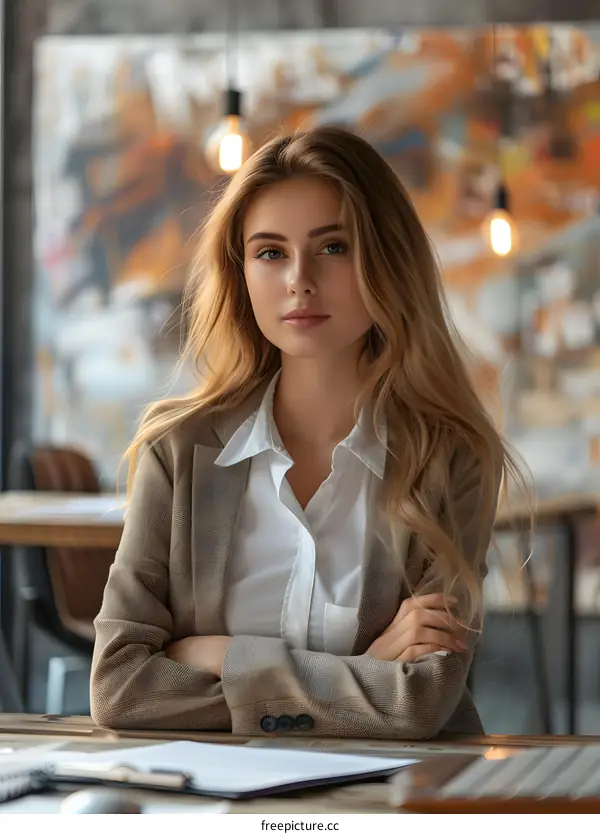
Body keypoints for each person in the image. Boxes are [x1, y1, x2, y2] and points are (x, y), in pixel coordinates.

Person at [90, 126, 522, 739]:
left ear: (386, 258)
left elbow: (420, 703)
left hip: (395, 803)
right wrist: (363, 671)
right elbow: (119, 687)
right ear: (241, 273)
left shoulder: (450, 459)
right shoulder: (178, 453)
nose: (299, 279)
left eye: (333, 247)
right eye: (270, 252)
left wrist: (215, 655)